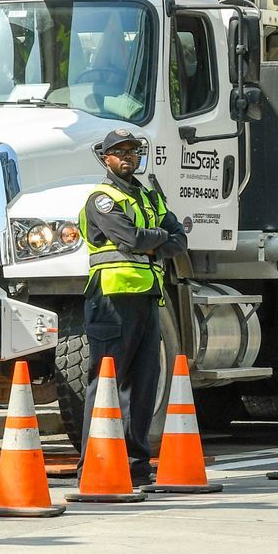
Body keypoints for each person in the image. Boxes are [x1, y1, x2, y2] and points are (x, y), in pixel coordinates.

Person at [77, 128, 186, 485]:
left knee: (143, 385)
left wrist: (154, 242)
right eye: (118, 151)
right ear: (105, 157)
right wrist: (158, 240)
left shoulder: (150, 198)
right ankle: (94, 463)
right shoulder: (102, 199)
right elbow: (132, 239)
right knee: (106, 383)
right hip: (111, 300)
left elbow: (179, 241)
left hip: (147, 298)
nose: (127, 156)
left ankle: (137, 467)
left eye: (132, 150)